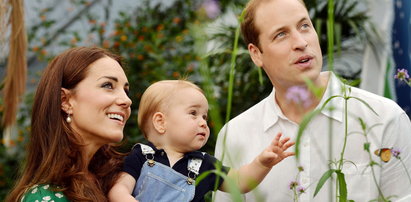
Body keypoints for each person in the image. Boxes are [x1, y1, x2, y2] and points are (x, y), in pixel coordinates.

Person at [214, 0, 411, 201]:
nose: (300, 42)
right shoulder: (235, 136)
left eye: (304, 26)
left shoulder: (385, 118)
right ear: (256, 54)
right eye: (281, 34)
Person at [107, 80, 295, 202]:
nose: (203, 123)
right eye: (193, 113)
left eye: (204, 117)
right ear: (160, 122)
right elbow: (119, 190)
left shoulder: (203, 164)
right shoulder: (141, 155)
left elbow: (239, 182)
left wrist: (262, 163)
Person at [6, 47, 132, 202]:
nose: (127, 100)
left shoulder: (124, 182)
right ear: (65, 101)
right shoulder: (44, 198)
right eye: (108, 85)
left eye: (126, 91)